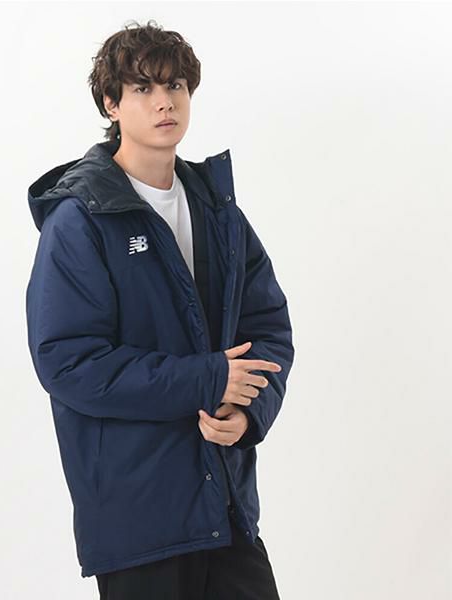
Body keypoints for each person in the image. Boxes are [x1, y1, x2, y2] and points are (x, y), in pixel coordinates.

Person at [26, 19, 295, 599]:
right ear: (111, 103)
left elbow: (267, 327)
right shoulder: (81, 219)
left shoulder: (217, 208)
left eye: (175, 85)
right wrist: (208, 378)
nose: (164, 102)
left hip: (225, 508)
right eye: (142, 88)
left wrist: (249, 413)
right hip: (139, 522)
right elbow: (68, 363)